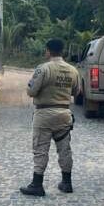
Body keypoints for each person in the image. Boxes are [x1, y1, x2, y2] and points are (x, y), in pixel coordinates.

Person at [20, 39, 81, 197]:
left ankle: (37, 184)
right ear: (63, 51)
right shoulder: (73, 70)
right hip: (64, 114)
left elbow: (31, 91)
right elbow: (77, 92)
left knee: (40, 149)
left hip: (44, 114)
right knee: (64, 149)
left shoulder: (43, 69)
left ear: (48, 51)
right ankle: (67, 182)